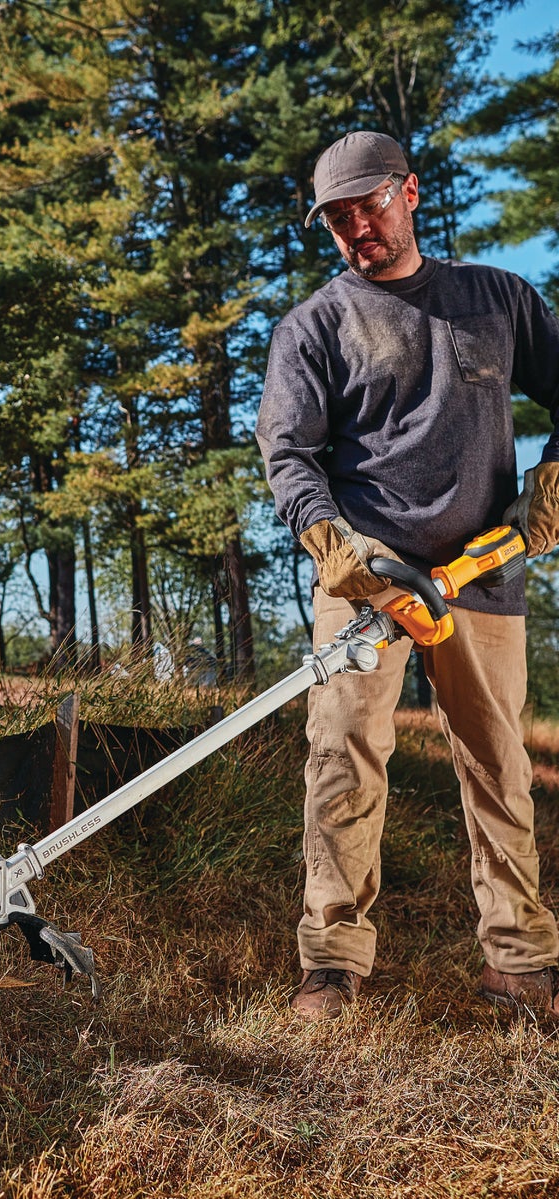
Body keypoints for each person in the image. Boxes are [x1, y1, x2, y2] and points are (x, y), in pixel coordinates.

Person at [256, 129, 559, 1019]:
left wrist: (552, 487)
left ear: (411, 192)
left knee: (500, 768)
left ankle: (519, 959)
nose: (358, 229)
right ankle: (333, 963)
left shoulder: (495, 300)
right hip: (370, 586)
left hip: (485, 579)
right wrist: (337, 552)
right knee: (343, 762)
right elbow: (288, 454)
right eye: (339, 219)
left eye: (370, 206)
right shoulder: (314, 326)